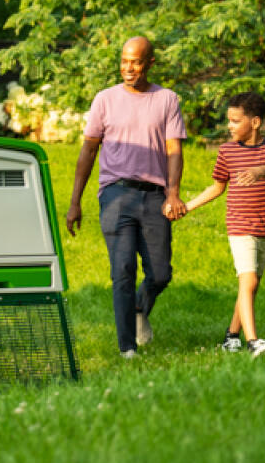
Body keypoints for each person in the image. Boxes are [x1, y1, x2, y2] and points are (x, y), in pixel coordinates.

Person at [66, 36, 187, 357]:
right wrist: (75, 202)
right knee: (122, 270)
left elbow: (174, 150)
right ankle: (126, 348)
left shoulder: (167, 99)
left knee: (160, 273)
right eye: (124, 61)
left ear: (150, 63)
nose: (128, 68)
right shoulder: (105, 100)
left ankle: (137, 308)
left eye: (135, 61)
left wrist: (172, 193)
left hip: (154, 196)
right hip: (116, 194)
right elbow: (88, 150)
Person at [182, 91, 265, 357]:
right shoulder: (226, 151)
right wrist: (187, 207)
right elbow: (217, 187)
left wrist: (259, 171)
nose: (230, 126)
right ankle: (253, 342)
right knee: (247, 281)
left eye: (236, 121)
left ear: (255, 122)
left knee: (252, 285)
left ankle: (231, 336)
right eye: (229, 120)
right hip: (239, 226)